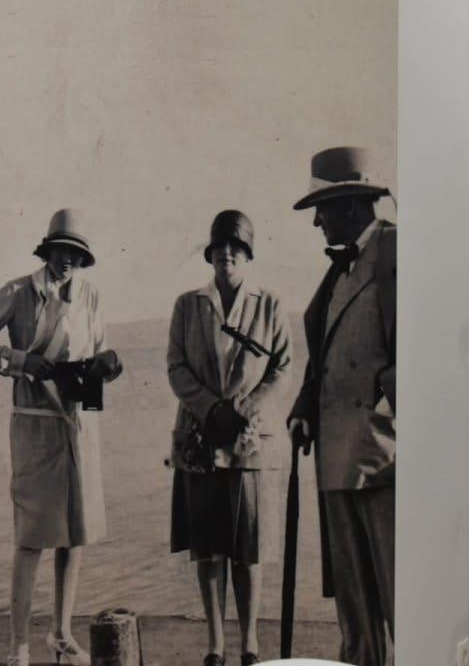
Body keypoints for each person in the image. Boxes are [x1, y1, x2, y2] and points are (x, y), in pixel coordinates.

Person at [0, 208, 123, 666]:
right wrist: (19, 360)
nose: (67, 259)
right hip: (33, 422)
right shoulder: (18, 292)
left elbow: (97, 353)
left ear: (83, 258)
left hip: (78, 423)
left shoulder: (90, 295)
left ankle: (61, 634)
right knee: (31, 536)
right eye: (61, 250)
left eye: (75, 253)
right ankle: (18, 645)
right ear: (47, 250)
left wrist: (108, 365)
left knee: (75, 533)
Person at [168, 209, 294, 666]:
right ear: (210, 254)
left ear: (248, 255)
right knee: (208, 547)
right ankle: (216, 645)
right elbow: (176, 368)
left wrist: (242, 410)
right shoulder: (187, 305)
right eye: (220, 246)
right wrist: (210, 409)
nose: (227, 254)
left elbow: (283, 366)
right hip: (200, 439)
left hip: (251, 438)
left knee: (249, 545)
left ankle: (250, 643)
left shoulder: (270, 304)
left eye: (236, 247)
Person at [287, 146, 396, 666]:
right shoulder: (338, 269)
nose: (317, 223)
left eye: (321, 210)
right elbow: (325, 351)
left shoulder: (398, 250)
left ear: (349, 204)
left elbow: (426, 346)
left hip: (383, 458)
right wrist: (305, 405)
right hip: (336, 456)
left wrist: (388, 408)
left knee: (402, 594)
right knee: (354, 607)